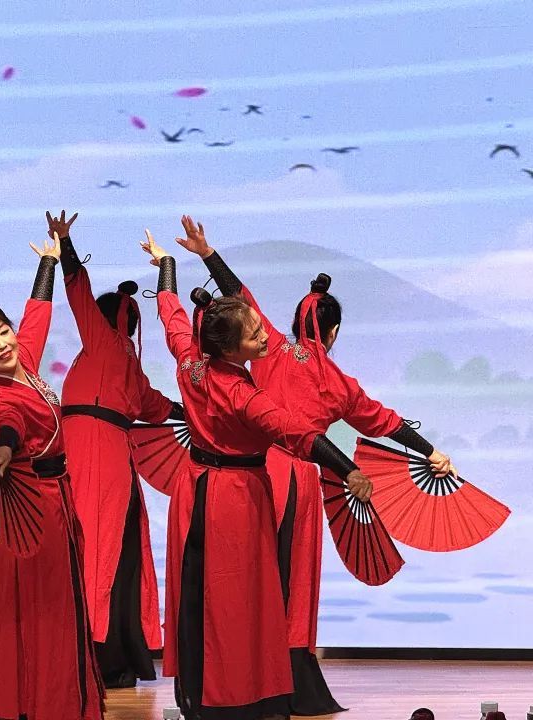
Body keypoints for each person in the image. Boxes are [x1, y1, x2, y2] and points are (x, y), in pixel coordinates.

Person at [176, 216, 452, 715]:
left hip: (256, 471)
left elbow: (237, 295)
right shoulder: (338, 382)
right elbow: (383, 421)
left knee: (247, 583)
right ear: (334, 331)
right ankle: (289, 683)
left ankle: (235, 678)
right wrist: (428, 450)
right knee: (289, 586)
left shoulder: (270, 345)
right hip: (300, 475)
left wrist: (207, 254)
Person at [139, 226, 373, 720]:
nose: (265, 333)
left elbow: (170, 312)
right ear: (231, 350)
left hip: (195, 488)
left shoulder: (189, 357)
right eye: (254, 333)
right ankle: (235, 695)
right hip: (235, 497)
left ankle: (201, 694)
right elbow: (296, 432)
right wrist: (348, 468)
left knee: (199, 593)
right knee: (236, 598)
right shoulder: (242, 394)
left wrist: (167, 265)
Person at [0, 232, 104, 720]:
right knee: (45, 609)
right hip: (32, 512)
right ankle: (46, 704)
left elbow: (37, 316)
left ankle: (60, 700)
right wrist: (3, 447)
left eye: (3, 331)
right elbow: (8, 425)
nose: (1, 343)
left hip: (55, 499)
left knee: (58, 604)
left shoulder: (26, 363)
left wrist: (50, 261)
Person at [47, 209, 178, 688]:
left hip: (93, 450)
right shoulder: (111, 347)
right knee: (107, 546)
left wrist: (66, 246)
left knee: (98, 544)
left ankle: (96, 651)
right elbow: (157, 406)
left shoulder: (106, 348)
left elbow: (156, 404)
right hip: (102, 451)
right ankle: (108, 654)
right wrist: (192, 410)